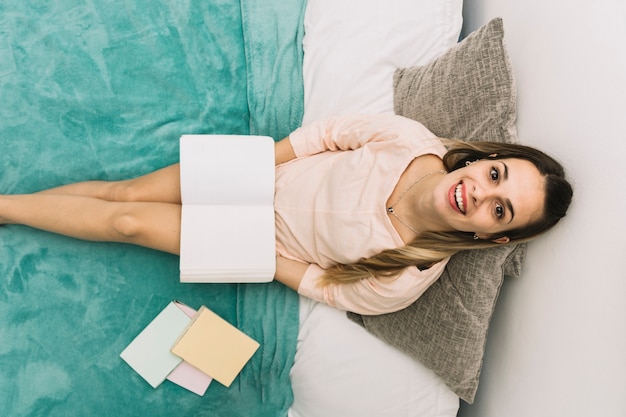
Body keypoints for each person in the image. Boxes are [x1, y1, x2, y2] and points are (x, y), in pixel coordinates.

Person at [0, 114, 572, 314]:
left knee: (128, 224)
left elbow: (332, 289)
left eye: (501, 210)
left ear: (494, 235)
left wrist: (270, 261)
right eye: (495, 176)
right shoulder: (408, 141)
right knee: (127, 195)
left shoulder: (408, 277)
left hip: (256, 243)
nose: (478, 194)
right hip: (263, 170)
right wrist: (257, 164)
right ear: (488, 159)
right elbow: (327, 135)